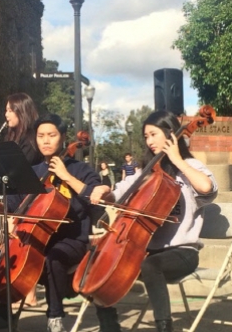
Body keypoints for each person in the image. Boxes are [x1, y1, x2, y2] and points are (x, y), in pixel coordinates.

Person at [89, 110, 218, 332]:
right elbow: (121, 190)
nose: (149, 141)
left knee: (150, 266)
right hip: (147, 250)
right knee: (96, 260)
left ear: (170, 133)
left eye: (153, 134)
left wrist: (177, 160)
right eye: (146, 136)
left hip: (183, 251)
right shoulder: (147, 172)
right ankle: (109, 325)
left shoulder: (190, 167)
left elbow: (206, 188)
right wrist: (105, 191)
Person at [0, 114, 102, 332]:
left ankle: (55, 318)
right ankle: (2, 314)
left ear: (62, 137)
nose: (45, 140)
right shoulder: (33, 171)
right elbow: (17, 204)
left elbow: (92, 203)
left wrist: (65, 176)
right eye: (40, 136)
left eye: (51, 135)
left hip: (71, 239)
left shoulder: (81, 170)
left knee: (53, 258)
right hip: (34, 239)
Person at [3, 92, 42, 308]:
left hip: (26, 198)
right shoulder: (13, 138)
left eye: (10, 109)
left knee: (26, 244)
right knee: (12, 244)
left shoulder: (30, 139)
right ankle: (16, 288)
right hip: (12, 196)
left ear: (21, 111)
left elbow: (21, 168)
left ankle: (30, 292)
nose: (6, 114)